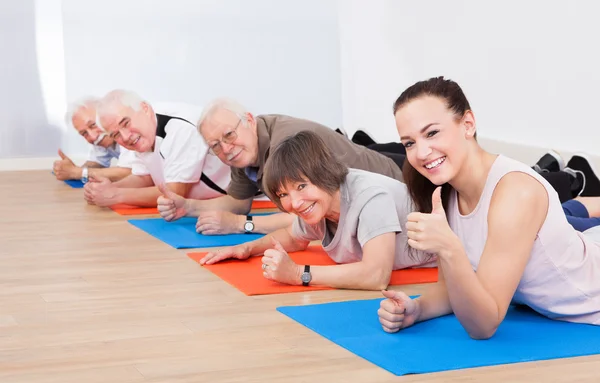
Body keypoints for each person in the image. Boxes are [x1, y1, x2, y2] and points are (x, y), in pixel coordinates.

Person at [378, 77, 600, 339]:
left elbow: (483, 325)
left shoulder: (516, 192)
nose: (422, 152)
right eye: (409, 143)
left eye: (432, 133)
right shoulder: (447, 194)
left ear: (468, 124)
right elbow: (455, 288)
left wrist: (450, 247)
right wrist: (417, 308)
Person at [199, 131, 435, 290]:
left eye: (301, 186)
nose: (295, 203)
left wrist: (298, 274)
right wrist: (248, 248)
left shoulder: (370, 196)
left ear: (323, 173)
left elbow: (376, 276)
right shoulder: (320, 202)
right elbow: (293, 237)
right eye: (283, 195)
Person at [157, 98, 407, 235]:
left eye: (229, 135)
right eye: (215, 146)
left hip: (397, 182)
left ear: (249, 121)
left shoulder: (281, 148)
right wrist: (188, 206)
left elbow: (304, 218)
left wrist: (238, 225)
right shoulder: (242, 148)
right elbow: (238, 202)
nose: (225, 148)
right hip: (363, 168)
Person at [85, 90, 231, 207]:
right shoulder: (142, 131)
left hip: (242, 202)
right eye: (115, 134)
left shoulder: (179, 127)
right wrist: (107, 188)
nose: (125, 136)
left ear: (145, 109)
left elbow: (174, 193)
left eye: (126, 123)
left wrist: (116, 195)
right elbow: (144, 177)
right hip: (208, 203)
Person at [53, 97, 135, 183]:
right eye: (84, 133)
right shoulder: (101, 139)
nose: (93, 137)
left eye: (93, 125)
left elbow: (130, 173)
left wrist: (78, 172)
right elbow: (97, 163)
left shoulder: (126, 132)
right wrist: (71, 169)